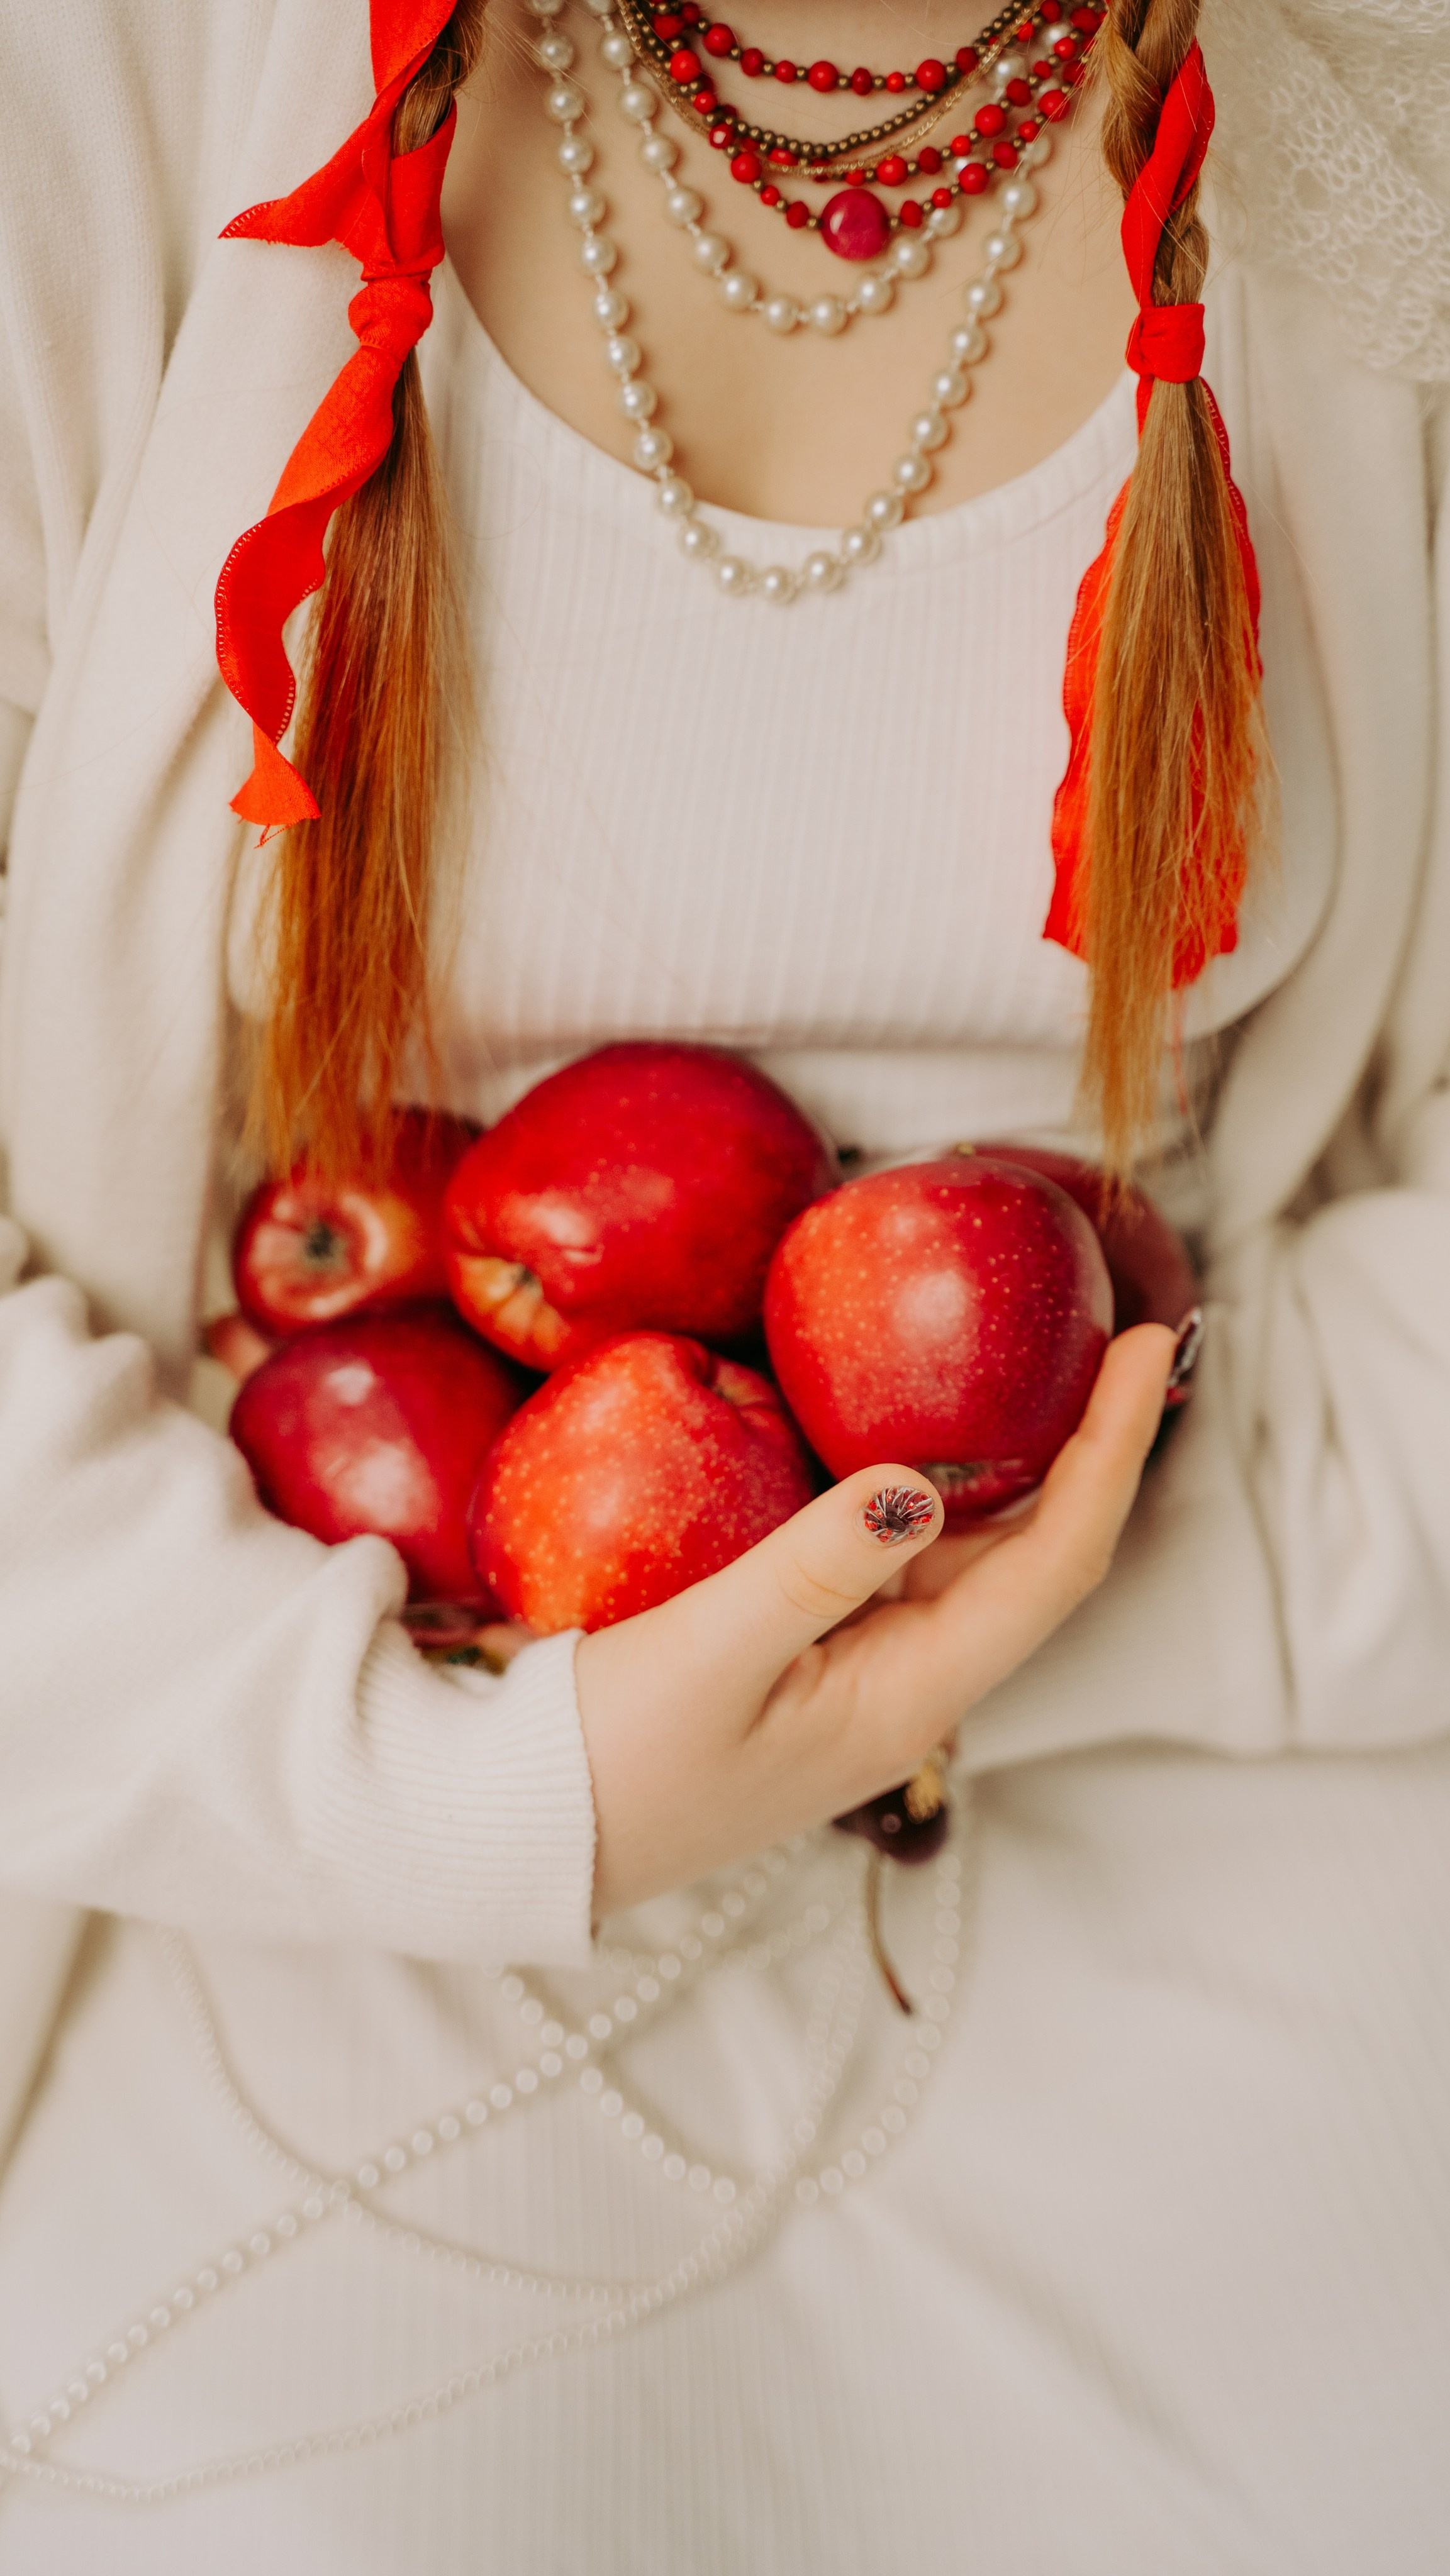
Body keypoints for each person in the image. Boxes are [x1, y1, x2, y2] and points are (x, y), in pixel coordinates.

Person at [1, 0, 1447, 2565]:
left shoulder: (1393, 134)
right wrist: (452, 1785)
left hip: (1228, 1726)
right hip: (255, 1764)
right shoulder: (95, 86)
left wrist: (1021, 1602)